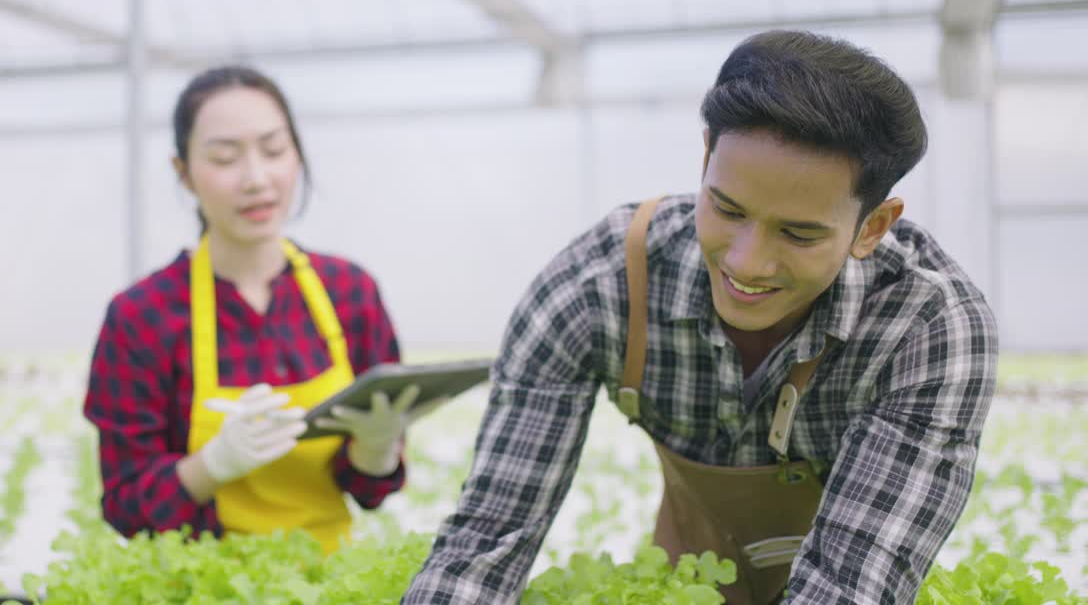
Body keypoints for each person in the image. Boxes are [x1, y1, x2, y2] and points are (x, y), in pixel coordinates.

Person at [402, 31, 998, 604]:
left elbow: (852, 586)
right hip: (684, 581)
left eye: (798, 233)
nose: (747, 261)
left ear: (872, 226)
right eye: (727, 209)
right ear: (707, 156)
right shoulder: (602, 285)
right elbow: (488, 537)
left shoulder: (928, 328)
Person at [84, 65, 435, 553]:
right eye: (225, 158)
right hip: (198, 583)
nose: (256, 179)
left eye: (274, 150)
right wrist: (210, 467)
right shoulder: (142, 317)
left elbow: (370, 492)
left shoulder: (350, 292)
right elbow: (125, 504)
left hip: (328, 580)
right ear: (183, 173)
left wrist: (376, 452)